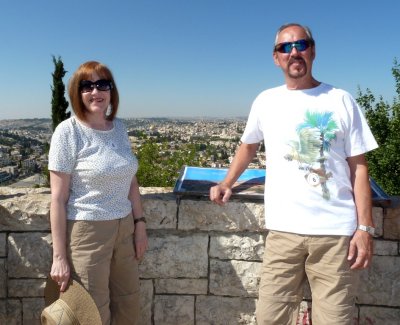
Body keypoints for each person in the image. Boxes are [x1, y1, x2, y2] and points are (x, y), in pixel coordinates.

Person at [210, 23, 378, 325]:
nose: (294, 52)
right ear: (276, 58)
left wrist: (365, 229)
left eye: (301, 44)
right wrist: (226, 182)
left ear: (312, 50)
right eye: (285, 47)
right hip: (283, 233)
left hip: (336, 235)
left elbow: (359, 167)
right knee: (269, 319)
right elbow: (248, 146)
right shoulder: (265, 100)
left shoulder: (341, 100)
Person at [48, 61, 148, 325]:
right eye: (87, 85)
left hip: (124, 228)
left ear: (111, 91)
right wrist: (59, 257)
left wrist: (139, 224)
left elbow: (131, 180)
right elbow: (57, 199)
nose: (96, 91)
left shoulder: (119, 128)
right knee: (92, 313)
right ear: (77, 93)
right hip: (88, 232)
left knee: (129, 304)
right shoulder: (68, 132)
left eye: (102, 84)